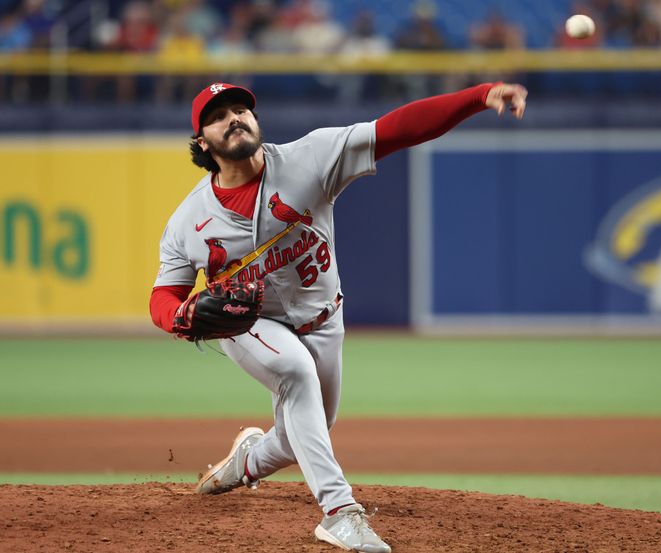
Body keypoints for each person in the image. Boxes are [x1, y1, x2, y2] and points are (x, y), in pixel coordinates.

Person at [149, 79, 527, 552]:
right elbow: (164, 295)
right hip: (246, 323)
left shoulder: (311, 157)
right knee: (294, 371)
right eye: (218, 115)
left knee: (303, 434)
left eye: (240, 109)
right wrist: (178, 318)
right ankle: (340, 513)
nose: (234, 118)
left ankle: (246, 461)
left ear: (256, 121)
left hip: (324, 319)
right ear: (203, 142)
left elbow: (396, 131)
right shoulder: (189, 220)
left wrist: (478, 96)